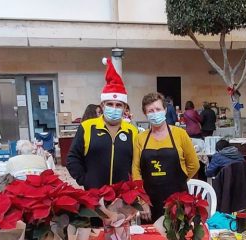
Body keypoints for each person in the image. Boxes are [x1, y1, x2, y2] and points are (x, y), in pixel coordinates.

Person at [67, 58, 138, 190]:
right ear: (103, 105)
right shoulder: (87, 127)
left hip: (123, 197)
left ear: (124, 108)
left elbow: (136, 163)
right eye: (110, 104)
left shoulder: (132, 131)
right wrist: (85, 180)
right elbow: (73, 157)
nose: (114, 108)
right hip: (94, 196)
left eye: (118, 105)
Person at [132, 92, 200, 221]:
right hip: (150, 203)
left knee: (179, 237)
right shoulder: (140, 138)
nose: (155, 113)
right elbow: (136, 171)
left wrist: (180, 181)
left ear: (165, 110)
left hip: (178, 201)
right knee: (152, 239)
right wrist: (143, 201)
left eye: (158, 109)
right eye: (150, 111)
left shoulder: (180, 134)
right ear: (145, 114)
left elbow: (194, 164)